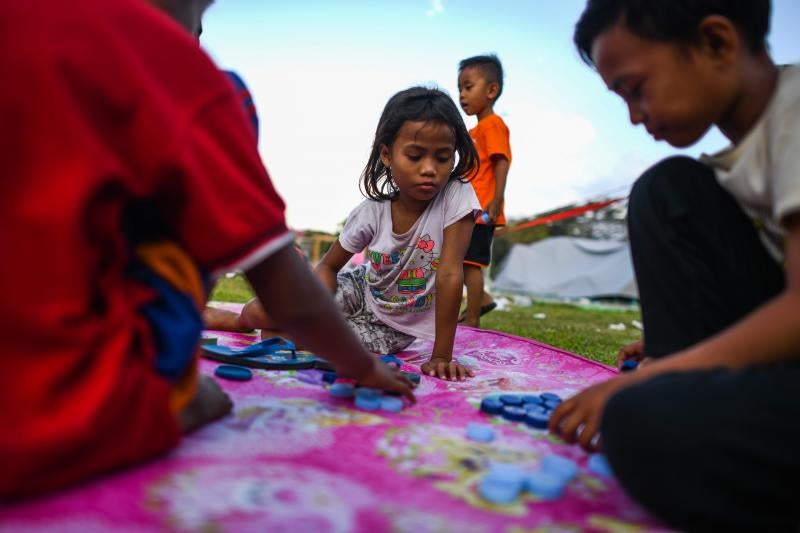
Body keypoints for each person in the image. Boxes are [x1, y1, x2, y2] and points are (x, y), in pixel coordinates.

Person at [0, 0, 413, 499]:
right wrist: (363, 367)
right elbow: (286, 286)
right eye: (198, 31)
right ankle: (155, 390)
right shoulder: (184, 75)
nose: (197, 45)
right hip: (58, 418)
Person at [549, 0, 800, 530]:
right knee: (667, 190)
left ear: (717, 43)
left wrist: (661, 375)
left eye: (636, 89)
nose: (635, 116)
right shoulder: (738, 162)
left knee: (643, 424)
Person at [235, 87, 482, 381]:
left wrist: (441, 355)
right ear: (387, 155)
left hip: (393, 327)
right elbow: (328, 265)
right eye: (415, 156)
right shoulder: (372, 211)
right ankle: (235, 321)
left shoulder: (457, 196)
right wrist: (315, 308)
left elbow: (451, 274)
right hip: (359, 288)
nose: (429, 169)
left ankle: (271, 326)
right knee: (259, 313)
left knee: (282, 338)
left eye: (442, 158)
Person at [456, 54, 511, 328]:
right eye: (460, 89)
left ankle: (473, 319)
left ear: (491, 90)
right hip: (467, 209)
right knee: (459, 260)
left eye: (468, 87)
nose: (462, 95)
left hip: (482, 210)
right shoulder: (475, 130)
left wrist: (496, 199)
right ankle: (483, 299)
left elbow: (502, 161)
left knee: (470, 264)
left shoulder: (493, 125)